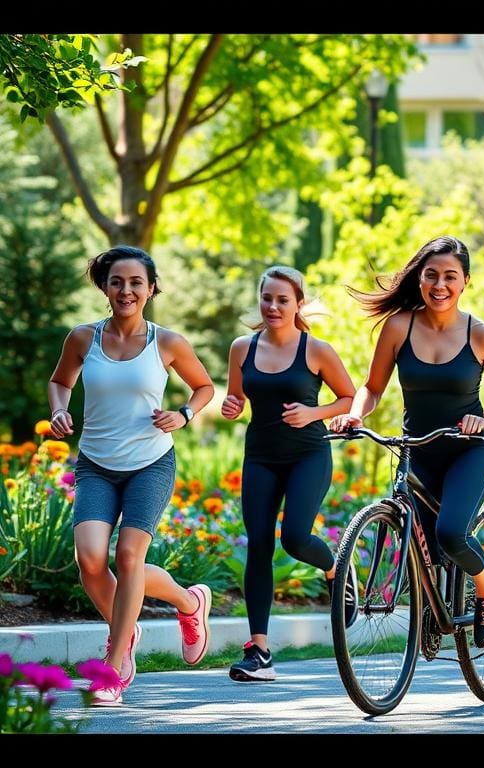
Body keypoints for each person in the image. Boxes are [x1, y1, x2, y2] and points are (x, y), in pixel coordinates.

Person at [329, 236, 484, 649]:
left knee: (452, 533)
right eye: (431, 275)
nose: (440, 284)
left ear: (465, 282)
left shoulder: (483, 334)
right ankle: (431, 611)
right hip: (417, 448)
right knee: (419, 538)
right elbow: (372, 386)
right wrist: (354, 413)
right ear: (419, 278)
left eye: (450, 276)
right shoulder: (399, 326)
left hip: (469, 450)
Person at [48, 245, 215, 706]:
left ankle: (115, 662)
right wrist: (59, 410)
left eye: (136, 282)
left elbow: (204, 387)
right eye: (117, 281)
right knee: (90, 560)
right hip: (97, 465)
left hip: (150, 464)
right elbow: (60, 381)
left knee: (128, 557)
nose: (126, 290)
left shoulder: (168, 343)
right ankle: (184, 603)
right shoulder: (84, 338)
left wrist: (183, 414)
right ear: (104, 287)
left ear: (151, 288)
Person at [222, 266, 356, 682]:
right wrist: (231, 405)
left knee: (295, 537)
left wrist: (313, 413)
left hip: (307, 455)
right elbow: (236, 395)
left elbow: (348, 397)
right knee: (258, 545)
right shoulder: (242, 348)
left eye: (283, 300)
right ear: (259, 300)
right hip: (260, 456)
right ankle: (259, 652)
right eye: (267, 299)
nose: (274, 307)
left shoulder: (315, 350)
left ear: (299, 304)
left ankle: (337, 569)